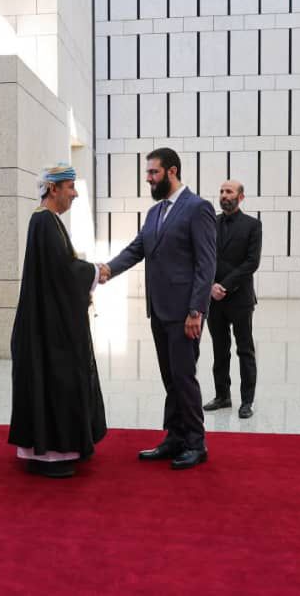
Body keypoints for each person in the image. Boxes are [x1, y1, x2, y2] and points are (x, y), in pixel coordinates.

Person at [99, 147, 217, 470]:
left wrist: (196, 311)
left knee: (184, 377)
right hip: (159, 310)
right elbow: (137, 249)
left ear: (172, 171)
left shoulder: (198, 208)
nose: (148, 179)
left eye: (153, 172)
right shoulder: (154, 213)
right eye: (147, 173)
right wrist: (106, 270)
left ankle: (196, 443)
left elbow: (206, 264)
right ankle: (175, 437)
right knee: (170, 378)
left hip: (185, 314)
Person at [8, 164, 107, 478]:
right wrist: (95, 271)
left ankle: (55, 450)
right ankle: (52, 454)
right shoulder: (44, 221)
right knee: (58, 379)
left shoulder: (48, 221)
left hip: (49, 320)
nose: (74, 194)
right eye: (70, 187)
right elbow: (63, 272)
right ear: (53, 189)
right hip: (49, 327)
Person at [202, 180, 262, 419]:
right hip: (213, 298)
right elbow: (203, 258)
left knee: (245, 350)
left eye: (229, 191)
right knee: (219, 349)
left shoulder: (253, 225)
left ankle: (247, 401)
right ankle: (222, 396)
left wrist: (224, 285)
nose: (224, 195)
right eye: (221, 191)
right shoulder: (210, 223)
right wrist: (210, 287)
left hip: (240, 298)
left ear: (241, 197)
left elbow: (252, 262)